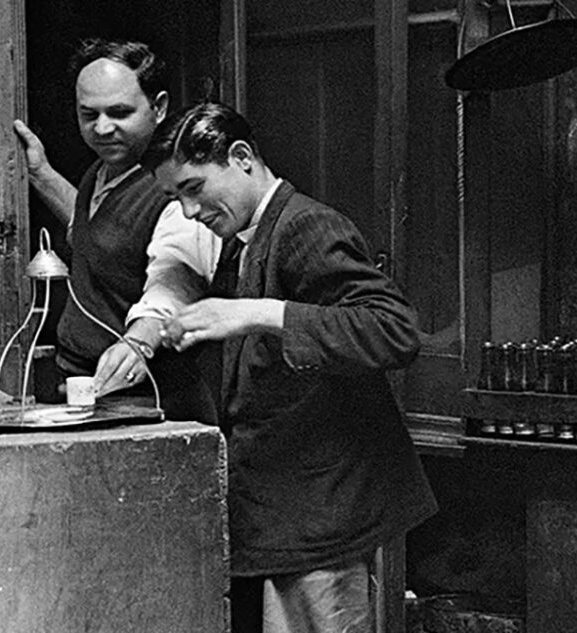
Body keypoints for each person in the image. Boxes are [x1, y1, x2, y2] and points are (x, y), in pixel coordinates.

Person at [143, 101, 437, 633]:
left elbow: (395, 331)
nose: (188, 212)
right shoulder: (247, 238)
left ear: (241, 158)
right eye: (175, 197)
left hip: (326, 519)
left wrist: (254, 312)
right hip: (287, 516)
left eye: (193, 188)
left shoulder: (308, 226)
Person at [13, 39, 221, 422]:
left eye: (120, 113)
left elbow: (175, 282)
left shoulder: (177, 185)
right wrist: (41, 174)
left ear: (158, 107)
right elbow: (96, 237)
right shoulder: (103, 170)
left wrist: (140, 342)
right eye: (88, 115)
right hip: (86, 388)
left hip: (150, 399)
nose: (102, 128)